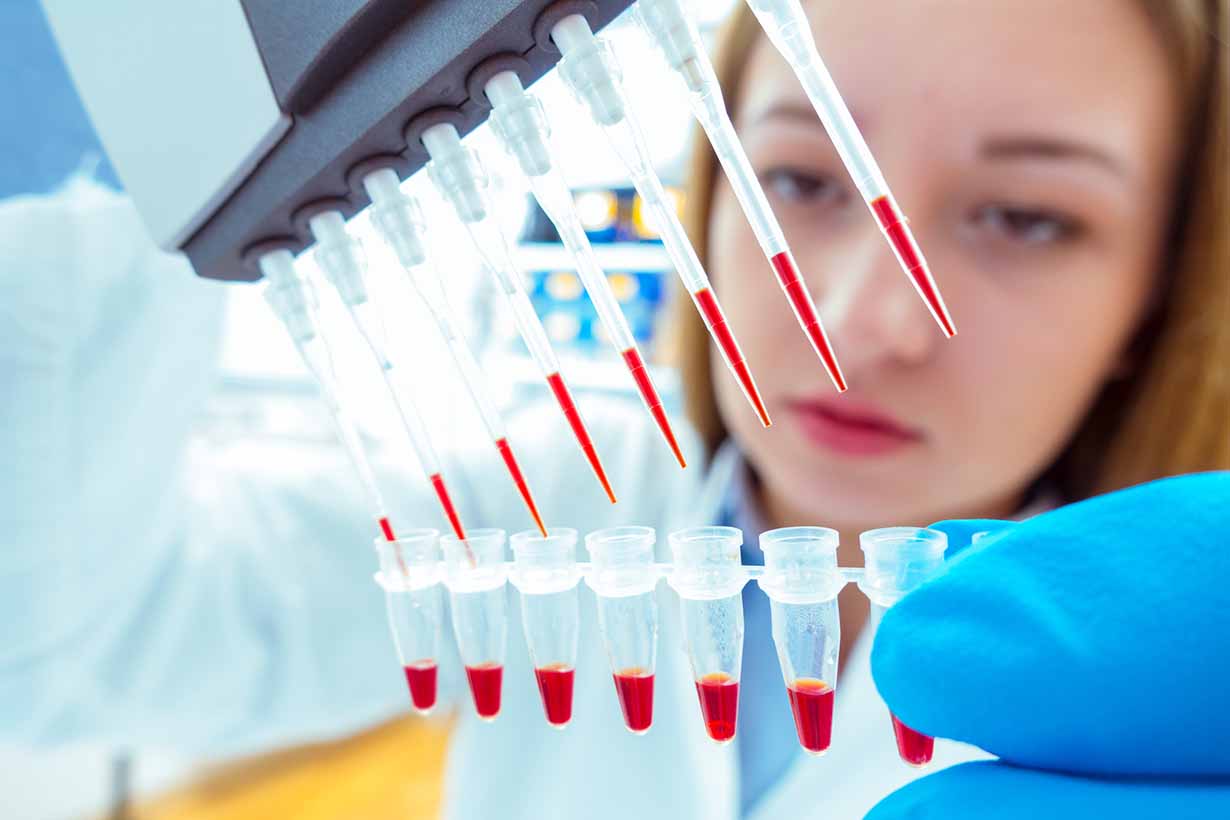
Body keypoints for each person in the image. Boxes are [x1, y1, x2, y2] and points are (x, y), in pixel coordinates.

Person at [2, 0, 1227, 818]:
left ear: (1158, 285)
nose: (859, 323)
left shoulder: (1189, 683)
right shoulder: (532, 531)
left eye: (1025, 219)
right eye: (796, 178)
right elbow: (69, 652)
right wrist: (101, 158)